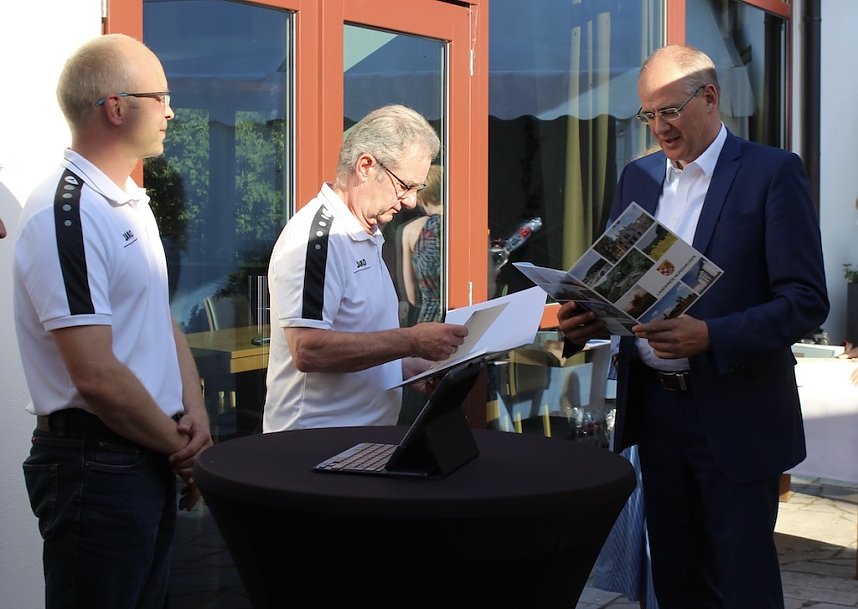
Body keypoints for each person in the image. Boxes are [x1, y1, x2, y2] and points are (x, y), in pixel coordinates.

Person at [557, 44, 829, 609]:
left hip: (736, 413)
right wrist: (586, 319)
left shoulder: (771, 173)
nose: (659, 128)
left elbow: (805, 301)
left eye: (669, 111)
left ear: (710, 97)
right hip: (657, 413)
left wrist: (713, 336)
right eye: (648, 116)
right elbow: (619, 285)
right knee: (677, 581)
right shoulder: (637, 178)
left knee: (742, 582)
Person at [13, 34, 212, 609]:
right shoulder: (65, 210)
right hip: (96, 467)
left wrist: (195, 413)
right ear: (116, 106)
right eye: (161, 96)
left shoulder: (126, 198)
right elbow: (95, 374)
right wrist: (183, 449)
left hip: (138, 454)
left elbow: (158, 317)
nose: (172, 111)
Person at [263, 104, 468, 432]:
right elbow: (308, 349)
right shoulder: (318, 238)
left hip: (356, 442)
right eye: (406, 185)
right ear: (366, 166)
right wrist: (411, 341)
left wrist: (402, 366)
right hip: (312, 448)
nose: (411, 201)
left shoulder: (365, 231)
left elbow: (358, 332)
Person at [400, 164, 444, 324]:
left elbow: (412, 296)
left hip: (429, 321)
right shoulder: (464, 226)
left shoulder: (410, 231)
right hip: (466, 317)